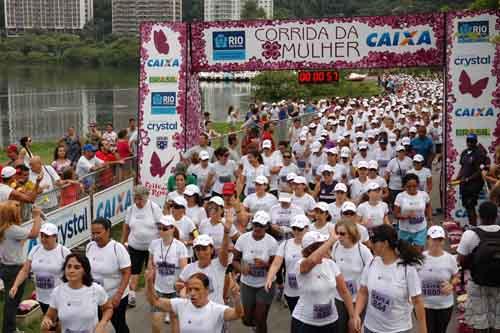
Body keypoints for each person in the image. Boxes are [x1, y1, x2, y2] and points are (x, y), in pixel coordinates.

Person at [353, 224, 427, 333]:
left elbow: (417, 302)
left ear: (385, 243)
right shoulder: (371, 263)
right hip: (371, 328)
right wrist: (356, 314)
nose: (370, 244)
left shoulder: (407, 269)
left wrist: (423, 330)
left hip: (398, 329)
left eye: (374, 241)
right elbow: (363, 292)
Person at [291, 230, 358, 333]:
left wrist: (353, 317)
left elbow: (344, 291)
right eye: (322, 244)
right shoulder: (301, 264)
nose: (326, 246)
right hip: (305, 323)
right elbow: (312, 260)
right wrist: (330, 241)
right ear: (311, 248)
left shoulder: (331, 264)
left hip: (330, 322)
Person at [146, 271, 244, 332]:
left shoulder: (217, 310)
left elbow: (238, 314)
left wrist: (236, 298)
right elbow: (154, 301)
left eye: (197, 289)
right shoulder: (181, 304)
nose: (192, 293)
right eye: (190, 289)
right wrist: (149, 282)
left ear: (207, 290)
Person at [9, 223, 70, 320]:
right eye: (42, 236)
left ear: (55, 236)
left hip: (60, 298)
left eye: (47, 236)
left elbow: (72, 275)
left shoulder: (64, 252)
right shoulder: (35, 250)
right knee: (51, 325)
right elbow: (25, 270)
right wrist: (15, 285)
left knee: (57, 325)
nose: (43, 239)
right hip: (41, 297)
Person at [40, 253, 113, 333]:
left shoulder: (95, 289)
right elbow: (50, 316)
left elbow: (108, 308)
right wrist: (46, 320)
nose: (71, 270)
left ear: (85, 271)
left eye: (77, 267)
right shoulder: (57, 292)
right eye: (69, 266)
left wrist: (102, 324)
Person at [457, 201, 500, 333]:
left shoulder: (470, 235)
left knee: (479, 321)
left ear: (479, 215)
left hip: (478, 282)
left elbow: (461, 259)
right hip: (499, 283)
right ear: (496, 216)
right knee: (498, 319)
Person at [233, 211, 278, 333]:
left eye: (261, 226)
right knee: (246, 320)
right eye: (255, 225)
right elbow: (235, 261)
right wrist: (242, 269)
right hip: (247, 284)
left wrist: (265, 265)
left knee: (260, 317)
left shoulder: (272, 242)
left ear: (267, 227)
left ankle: (259, 328)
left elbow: (276, 266)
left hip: (265, 284)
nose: (257, 228)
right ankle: (255, 326)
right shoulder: (243, 239)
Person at [0, 202, 42, 333]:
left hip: (6, 267)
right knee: (13, 300)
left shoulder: (4, 228)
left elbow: (18, 242)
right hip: (15, 269)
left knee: (11, 299)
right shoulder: (12, 229)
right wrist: (37, 217)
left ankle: (9, 327)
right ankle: (9, 329)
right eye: (16, 210)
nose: (19, 212)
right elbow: (35, 234)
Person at [87, 217, 131, 333]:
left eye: (98, 232)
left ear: (107, 231)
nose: (95, 236)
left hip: (115, 296)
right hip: (96, 296)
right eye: (93, 233)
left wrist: (118, 294)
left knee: (119, 324)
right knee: (96, 325)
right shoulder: (90, 247)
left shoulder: (117, 248)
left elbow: (127, 272)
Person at [121, 185, 163, 307]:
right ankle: (132, 295)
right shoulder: (131, 209)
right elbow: (126, 226)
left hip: (152, 248)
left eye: (140, 199)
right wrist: (123, 242)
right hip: (135, 246)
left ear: (146, 198)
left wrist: (161, 243)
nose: (138, 202)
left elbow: (161, 226)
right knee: (134, 272)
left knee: (151, 272)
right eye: (136, 199)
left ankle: (153, 296)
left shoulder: (154, 208)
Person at [331, 219, 373, 333]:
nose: (339, 237)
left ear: (351, 233)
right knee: (340, 328)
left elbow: (372, 273)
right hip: (339, 297)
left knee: (355, 328)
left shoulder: (363, 251)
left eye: (342, 234)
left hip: (357, 299)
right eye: (337, 233)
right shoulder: (335, 247)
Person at [148, 215, 188, 332]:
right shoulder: (154, 244)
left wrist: (183, 290)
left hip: (174, 291)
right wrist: (150, 284)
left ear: (172, 229)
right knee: (156, 322)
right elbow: (150, 262)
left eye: (164, 228)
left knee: (175, 321)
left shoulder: (180, 247)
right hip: (158, 290)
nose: (161, 231)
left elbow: (184, 270)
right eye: (159, 228)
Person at [178, 224, 233, 305]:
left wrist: (226, 232)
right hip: (196, 310)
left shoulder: (219, 265)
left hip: (215, 312)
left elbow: (224, 249)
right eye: (197, 249)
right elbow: (180, 285)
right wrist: (181, 290)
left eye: (204, 249)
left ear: (211, 250)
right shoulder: (189, 268)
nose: (201, 252)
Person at [266, 215, 310, 314]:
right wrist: (269, 277)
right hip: (291, 291)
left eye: (300, 228)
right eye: (294, 228)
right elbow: (276, 264)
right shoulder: (285, 244)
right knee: (294, 316)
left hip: (309, 290)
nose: (297, 231)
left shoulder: (313, 244)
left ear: (307, 228)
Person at [419, 225, 459, 333]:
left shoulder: (450, 259)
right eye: (434, 239)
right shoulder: (419, 259)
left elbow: (456, 276)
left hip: (445, 306)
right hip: (425, 306)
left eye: (439, 239)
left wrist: (451, 285)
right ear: (427, 240)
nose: (436, 242)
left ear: (443, 241)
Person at [453, 133, 488, 226]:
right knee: (467, 207)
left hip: (473, 186)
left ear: (475, 142)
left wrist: (468, 179)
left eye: (472, 141)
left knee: (471, 206)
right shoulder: (464, 152)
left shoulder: (479, 153)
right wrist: (457, 178)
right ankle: (471, 226)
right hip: (464, 185)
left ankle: (474, 227)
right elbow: (463, 167)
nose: (469, 143)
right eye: (468, 141)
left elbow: (479, 171)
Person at [394, 173, 432, 250]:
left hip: (420, 228)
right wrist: (406, 216)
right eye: (408, 186)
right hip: (405, 229)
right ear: (404, 186)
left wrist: (430, 218)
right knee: (405, 252)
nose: (412, 188)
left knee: (418, 253)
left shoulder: (423, 195)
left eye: (414, 186)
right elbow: (395, 214)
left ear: (418, 185)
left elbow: (428, 206)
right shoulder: (400, 196)